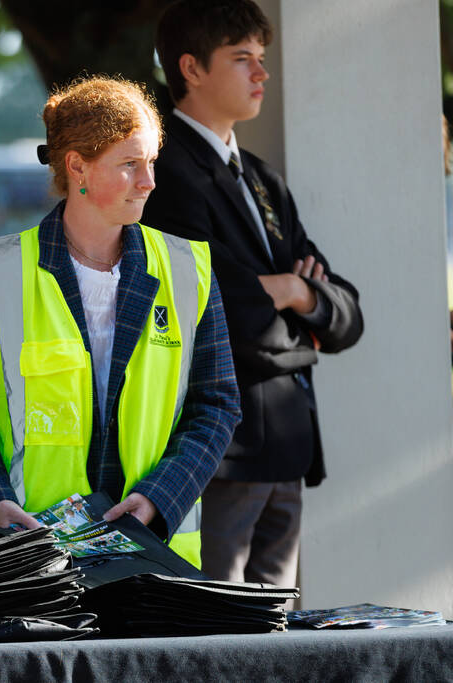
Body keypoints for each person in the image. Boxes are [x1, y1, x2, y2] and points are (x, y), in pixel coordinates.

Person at [0, 76, 241, 567]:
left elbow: (217, 405)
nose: (149, 181)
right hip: (33, 554)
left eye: (151, 162)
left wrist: (161, 499)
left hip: (156, 553)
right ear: (77, 165)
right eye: (129, 164)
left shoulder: (189, 267)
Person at [142, 0, 364, 589]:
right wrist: (298, 299)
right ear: (191, 69)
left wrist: (294, 290)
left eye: (261, 59)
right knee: (226, 637)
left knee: (279, 634)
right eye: (243, 59)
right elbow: (218, 313)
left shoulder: (265, 180)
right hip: (221, 449)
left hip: (288, 445)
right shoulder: (163, 176)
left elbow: (347, 314)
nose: (261, 73)